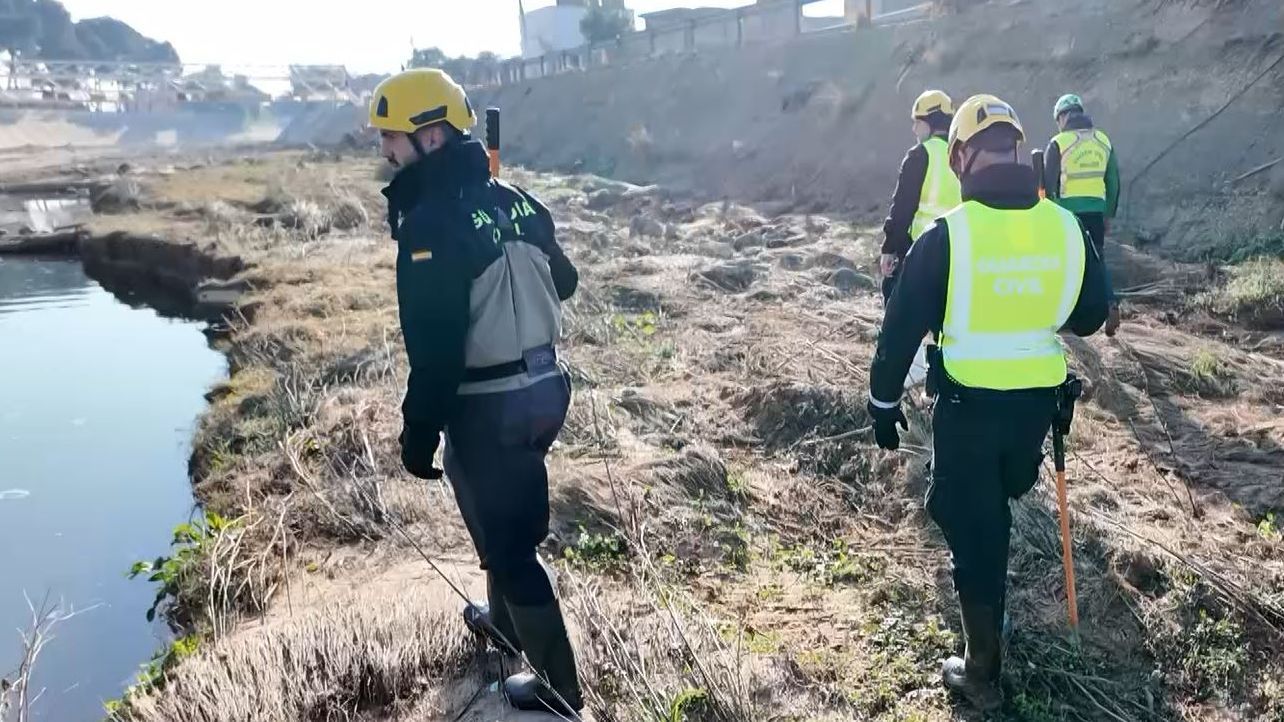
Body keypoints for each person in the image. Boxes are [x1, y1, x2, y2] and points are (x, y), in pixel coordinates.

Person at [865, 95, 1110, 711]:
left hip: (968, 413)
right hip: (1034, 416)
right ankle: (989, 623)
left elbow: (898, 334)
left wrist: (882, 402)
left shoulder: (950, 236)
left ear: (962, 157)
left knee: (973, 530)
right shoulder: (1064, 226)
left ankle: (981, 672)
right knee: (992, 511)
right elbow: (1091, 313)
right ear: (1020, 151)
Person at [370, 68, 584, 717]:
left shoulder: (429, 224)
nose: (385, 153)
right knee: (494, 507)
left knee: (512, 545)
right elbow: (566, 282)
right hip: (545, 390)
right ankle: (502, 623)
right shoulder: (519, 200)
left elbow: (435, 351)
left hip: (490, 401)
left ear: (431, 138)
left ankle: (558, 692)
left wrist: (417, 433)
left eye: (393, 138)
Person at [1044, 93, 1121, 335]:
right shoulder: (1103, 140)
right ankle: (1110, 304)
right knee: (1098, 260)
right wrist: (1108, 214)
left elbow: (1047, 185)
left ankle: (1065, 316)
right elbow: (1114, 182)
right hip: (1096, 211)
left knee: (1068, 263)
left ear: (1064, 116)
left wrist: (1052, 213)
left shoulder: (1058, 143)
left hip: (1067, 213)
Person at [879, 89, 962, 304]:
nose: (914, 128)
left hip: (919, 253)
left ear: (930, 122)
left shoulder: (920, 155)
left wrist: (889, 249)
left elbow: (902, 209)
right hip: (956, 253)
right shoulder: (962, 156)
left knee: (897, 312)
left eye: (917, 121)